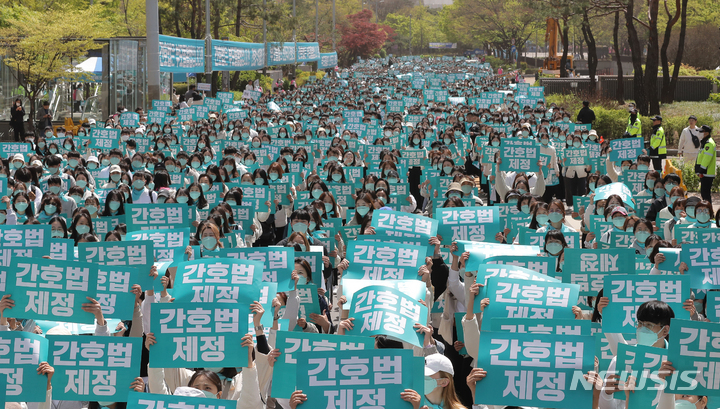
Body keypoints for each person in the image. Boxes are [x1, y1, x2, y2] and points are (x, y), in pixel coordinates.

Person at [694, 125, 715, 202]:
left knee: (705, 194)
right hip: (705, 172)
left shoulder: (709, 143)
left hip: (707, 172)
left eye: (701, 131)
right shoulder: (705, 142)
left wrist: (701, 170)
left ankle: (709, 211)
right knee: (704, 194)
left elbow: (706, 159)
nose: (699, 133)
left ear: (706, 133)